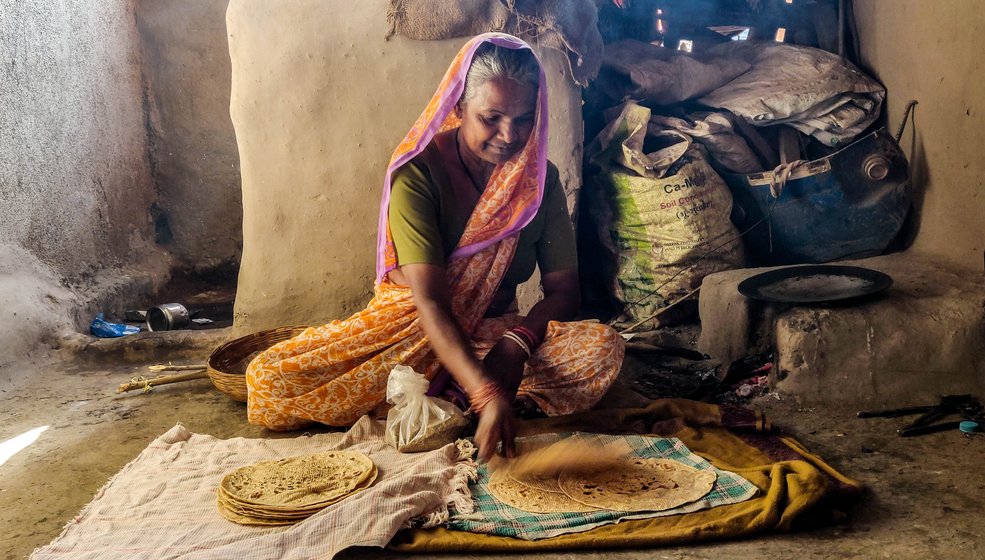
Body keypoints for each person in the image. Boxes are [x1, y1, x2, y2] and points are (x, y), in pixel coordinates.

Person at [246, 33, 624, 461]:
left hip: (491, 334)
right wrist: (485, 389)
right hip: (410, 333)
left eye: (523, 119)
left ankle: (444, 398)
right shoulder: (418, 175)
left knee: (601, 349)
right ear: (459, 108)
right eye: (491, 117)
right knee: (269, 379)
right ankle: (469, 398)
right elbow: (430, 304)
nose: (509, 134)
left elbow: (564, 290)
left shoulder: (538, 181)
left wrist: (514, 346)